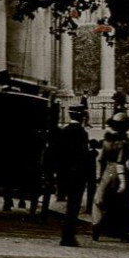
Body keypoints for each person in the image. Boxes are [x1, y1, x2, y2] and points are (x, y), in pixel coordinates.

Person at [50, 105, 93, 246]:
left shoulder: (64, 131)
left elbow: (56, 153)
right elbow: (82, 155)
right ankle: (68, 237)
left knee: (70, 205)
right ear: (82, 117)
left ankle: (66, 235)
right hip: (77, 175)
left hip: (64, 174)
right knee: (73, 206)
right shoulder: (81, 133)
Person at [92, 111, 129, 241]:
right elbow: (120, 162)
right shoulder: (124, 143)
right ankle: (122, 231)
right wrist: (123, 181)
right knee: (121, 203)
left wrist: (100, 175)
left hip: (107, 171)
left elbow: (100, 159)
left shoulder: (107, 141)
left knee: (101, 199)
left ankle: (97, 227)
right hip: (118, 172)